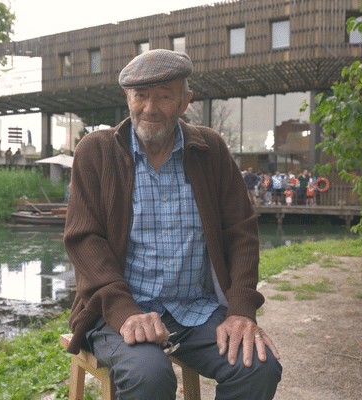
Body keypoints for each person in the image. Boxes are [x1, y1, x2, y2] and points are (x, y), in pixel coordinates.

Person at [64, 49, 281, 400]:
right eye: (141, 95)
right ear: (127, 98)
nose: (150, 108)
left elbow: (241, 233)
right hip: (116, 310)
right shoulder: (96, 150)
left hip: (196, 309)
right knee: (149, 375)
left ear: (185, 101)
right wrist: (125, 312)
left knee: (259, 366)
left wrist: (241, 309)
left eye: (164, 96)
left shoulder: (210, 148)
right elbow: (84, 239)